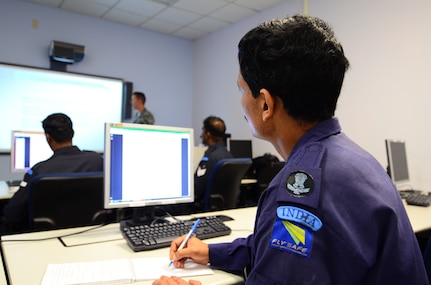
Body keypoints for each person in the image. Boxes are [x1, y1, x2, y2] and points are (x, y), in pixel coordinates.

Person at [153, 15, 428, 285]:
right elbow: (285, 252)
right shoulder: (357, 159)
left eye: (242, 90)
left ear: (265, 105)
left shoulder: (303, 190)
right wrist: (213, 252)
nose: (240, 102)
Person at [3, 113, 103, 232]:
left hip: (48, 236)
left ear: (48, 137)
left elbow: (13, 214)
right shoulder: (97, 160)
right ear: (73, 133)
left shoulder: (39, 171)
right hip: (91, 232)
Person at [192, 116, 233, 212]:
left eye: (203, 130)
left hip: (204, 209)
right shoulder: (229, 155)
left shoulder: (210, 157)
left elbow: (197, 190)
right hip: (224, 208)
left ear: (208, 134)